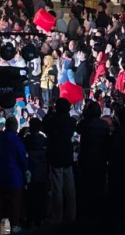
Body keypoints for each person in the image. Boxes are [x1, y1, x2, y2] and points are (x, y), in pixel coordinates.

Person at [43, 96, 76, 225]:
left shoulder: (52, 121)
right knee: (70, 187)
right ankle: (71, 214)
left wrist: (49, 114)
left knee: (57, 188)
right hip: (67, 154)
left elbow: (44, 127)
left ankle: (57, 216)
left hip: (56, 155)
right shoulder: (72, 121)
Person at [0, 116, 29, 234]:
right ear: (15, 126)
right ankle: (15, 225)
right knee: (15, 201)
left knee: (0, 200)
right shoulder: (15, 139)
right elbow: (22, 156)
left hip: (0, 173)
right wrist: (26, 168)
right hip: (14, 175)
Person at [22, 117, 49, 227]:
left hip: (30, 173)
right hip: (42, 172)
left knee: (30, 197)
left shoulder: (26, 140)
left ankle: (31, 218)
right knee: (41, 196)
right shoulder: (43, 140)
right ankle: (41, 218)